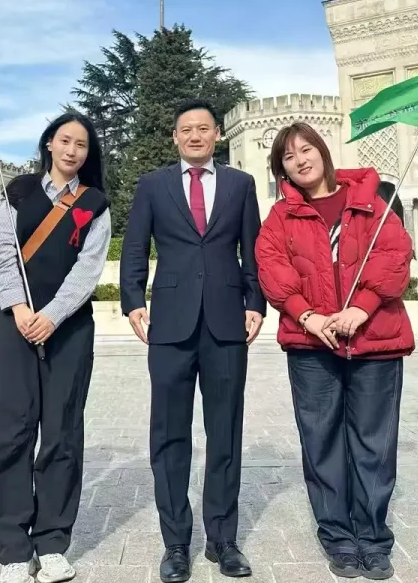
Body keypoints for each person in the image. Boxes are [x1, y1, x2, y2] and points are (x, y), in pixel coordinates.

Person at [255, 124, 413, 581]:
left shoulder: (369, 202)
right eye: (288, 157)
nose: (300, 160)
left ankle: (373, 537)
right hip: (312, 345)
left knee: (374, 443)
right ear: (282, 170)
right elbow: (271, 267)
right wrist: (307, 316)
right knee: (321, 441)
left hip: (374, 339)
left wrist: (361, 308)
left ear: (323, 152)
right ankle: (338, 537)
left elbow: (394, 256)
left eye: (306, 150)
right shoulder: (281, 216)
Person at [120, 99, 265, 583]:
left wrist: (255, 302)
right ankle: (176, 543)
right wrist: (132, 300)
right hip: (170, 324)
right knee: (169, 434)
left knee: (225, 431)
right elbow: (136, 245)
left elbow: (252, 249)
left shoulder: (241, 185)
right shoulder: (153, 185)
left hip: (226, 323)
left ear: (217, 134)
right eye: (186, 130)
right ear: (175, 137)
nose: (195, 136)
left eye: (204, 128)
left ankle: (223, 540)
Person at [0, 112, 112, 583]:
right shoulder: (17, 192)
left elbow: (88, 269)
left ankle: (53, 543)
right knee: (8, 434)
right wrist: (20, 309)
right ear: (49, 144)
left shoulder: (95, 204)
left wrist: (52, 316)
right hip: (14, 327)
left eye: (82, 144)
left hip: (68, 331)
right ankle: (13, 550)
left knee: (62, 433)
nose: (72, 150)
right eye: (65, 140)